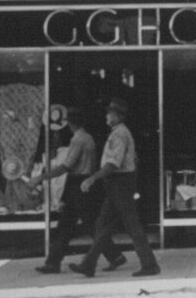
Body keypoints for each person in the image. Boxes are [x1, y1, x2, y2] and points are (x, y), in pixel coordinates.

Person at [69, 98, 161, 278]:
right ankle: (88, 264)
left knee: (130, 224)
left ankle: (150, 264)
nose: (106, 116)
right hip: (118, 183)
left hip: (120, 182)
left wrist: (92, 178)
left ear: (117, 116)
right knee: (103, 225)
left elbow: (113, 164)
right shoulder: (119, 133)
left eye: (109, 113)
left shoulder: (119, 134)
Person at [28, 107, 126, 274]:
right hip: (85, 182)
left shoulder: (78, 140)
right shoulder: (88, 138)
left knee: (78, 224)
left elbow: (66, 166)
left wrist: (40, 178)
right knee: (76, 223)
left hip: (77, 183)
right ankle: (54, 262)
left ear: (69, 123)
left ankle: (55, 262)